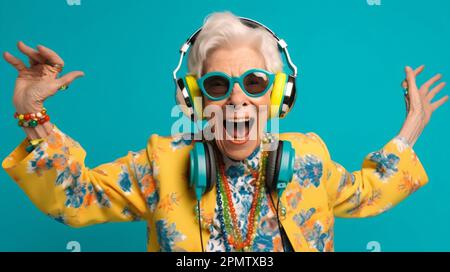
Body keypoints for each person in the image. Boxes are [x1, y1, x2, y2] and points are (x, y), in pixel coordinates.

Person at [2, 11, 448, 252]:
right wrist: (31, 111)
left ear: (278, 96)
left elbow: (367, 192)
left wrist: (411, 129)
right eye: (218, 85)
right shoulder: (162, 164)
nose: (236, 100)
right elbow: (74, 198)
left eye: (254, 83)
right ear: (195, 98)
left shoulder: (309, 161)